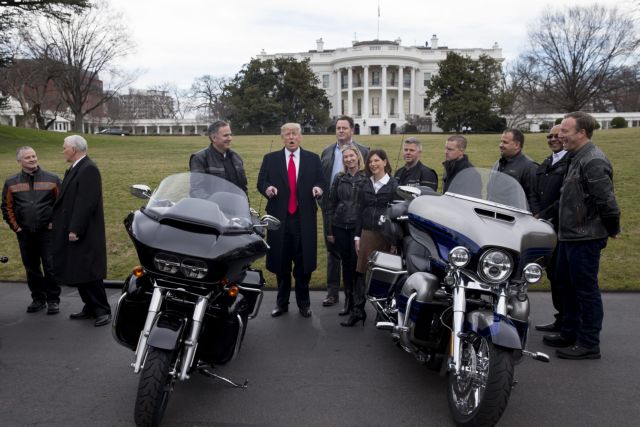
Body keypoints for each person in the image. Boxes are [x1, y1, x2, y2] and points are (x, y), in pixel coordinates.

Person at [542, 112, 620, 360]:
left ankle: (588, 343)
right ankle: (569, 332)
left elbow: (606, 201)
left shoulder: (593, 160)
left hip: (585, 238)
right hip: (569, 237)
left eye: (565, 131)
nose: (560, 135)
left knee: (585, 291)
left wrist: (612, 228)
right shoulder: (576, 158)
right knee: (566, 286)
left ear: (581, 133)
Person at [257, 123, 324, 318]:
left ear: (300, 137)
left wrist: (318, 189)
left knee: (303, 265)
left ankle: (304, 304)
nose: (291, 137)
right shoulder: (271, 159)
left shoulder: (312, 159)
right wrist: (267, 188)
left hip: (304, 220)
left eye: (295, 134)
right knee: (281, 263)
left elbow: (321, 181)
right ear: (282, 138)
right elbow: (261, 181)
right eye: (287, 134)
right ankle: (282, 303)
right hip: (280, 220)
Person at [52, 135, 111, 327]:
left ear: (74, 149)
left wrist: (75, 228)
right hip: (73, 228)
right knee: (79, 270)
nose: (63, 151)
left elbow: (86, 203)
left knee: (89, 271)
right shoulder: (76, 168)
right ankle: (90, 306)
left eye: (64, 148)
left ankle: (102, 309)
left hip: (84, 231)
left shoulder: (88, 169)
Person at [2, 147, 61, 314]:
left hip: (47, 232)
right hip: (25, 233)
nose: (32, 159)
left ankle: (53, 300)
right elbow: (7, 208)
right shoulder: (11, 182)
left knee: (50, 267)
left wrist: (54, 224)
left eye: (34, 156)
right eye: (28, 157)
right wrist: (17, 228)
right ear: (20, 161)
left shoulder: (53, 179)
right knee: (31, 268)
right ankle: (38, 299)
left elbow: (61, 205)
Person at [319, 115, 369, 309]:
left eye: (344, 128)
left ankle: (356, 296)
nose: (340, 131)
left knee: (356, 254)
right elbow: (321, 178)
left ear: (352, 130)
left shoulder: (363, 150)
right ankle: (332, 293)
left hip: (356, 212)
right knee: (333, 251)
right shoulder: (326, 152)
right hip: (332, 209)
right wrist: (323, 201)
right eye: (338, 128)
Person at [345, 149, 398, 327]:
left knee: (383, 275)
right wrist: (356, 237)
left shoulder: (394, 185)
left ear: (385, 162)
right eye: (370, 162)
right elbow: (359, 211)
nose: (373, 164)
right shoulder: (364, 184)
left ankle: (382, 313)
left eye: (377, 161)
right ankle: (358, 311)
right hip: (367, 233)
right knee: (360, 273)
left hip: (386, 235)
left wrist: (394, 241)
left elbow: (396, 215)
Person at [533, 125, 568, 333]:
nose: (553, 139)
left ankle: (568, 320)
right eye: (550, 136)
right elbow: (535, 191)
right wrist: (537, 213)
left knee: (563, 276)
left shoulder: (569, 162)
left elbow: (563, 197)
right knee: (553, 274)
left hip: (560, 226)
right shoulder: (547, 162)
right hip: (545, 227)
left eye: (557, 136)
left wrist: (544, 215)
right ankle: (560, 318)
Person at [189, 120, 248, 193]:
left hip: (236, 204)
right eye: (225, 135)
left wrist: (245, 203)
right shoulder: (200, 158)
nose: (230, 138)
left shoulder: (236, 157)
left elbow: (243, 187)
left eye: (230, 135)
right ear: (214, 138)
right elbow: (197, 190)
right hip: (214, 203)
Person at [492, 129, 539, 214]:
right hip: (494, 215)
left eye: (505, 142)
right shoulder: (497, 163)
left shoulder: (530, 167)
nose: (500, 145)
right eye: (501, 141)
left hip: (514, 220)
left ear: (517, 145)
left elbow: (533, 199)